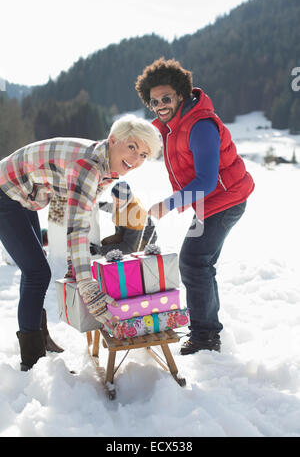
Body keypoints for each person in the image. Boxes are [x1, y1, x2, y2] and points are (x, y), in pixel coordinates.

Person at [0, 114, 161, 370]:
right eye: (132, 147)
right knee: (37, 272)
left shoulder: (106, 160)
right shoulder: (90, 166)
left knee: (34, 269)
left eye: (144, 154)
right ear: (113, 140)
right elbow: (78, 227)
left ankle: (38, 336)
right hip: (5, 192)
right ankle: (31, 359)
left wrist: (75, 263)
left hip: (22, 191)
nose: (136, 159)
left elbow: (70, 204)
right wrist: (86, 283)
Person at [135, 58, 254, 355]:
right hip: (207, 204)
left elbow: (206, 181)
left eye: (166, 98)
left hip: (226, 200)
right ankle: (206, 330)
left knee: (194, 262)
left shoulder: (200, 126)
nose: (160, 105)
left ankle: (205, 337)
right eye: (154, 102)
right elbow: (141, 139)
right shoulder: (169, 126)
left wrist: (169, 204)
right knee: (199, 263)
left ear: (181, 95)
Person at [90, 181, 157, 256]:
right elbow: (111, 207)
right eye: (114, 199)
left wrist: (100, 250)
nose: (115, 202)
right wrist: (96, 204)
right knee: (106, 242)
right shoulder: (122, 202)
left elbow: (129, 247)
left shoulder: (137, 214)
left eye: (118, 200)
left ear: (127, 199)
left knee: (114, 251)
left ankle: (119, 265)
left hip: (144, 238)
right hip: (128, 231)